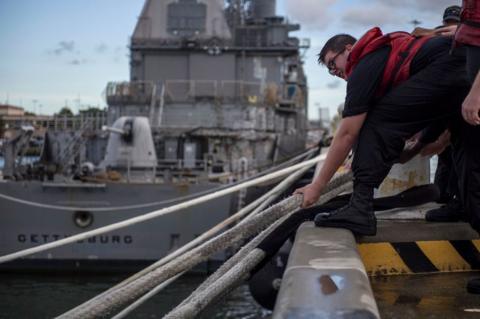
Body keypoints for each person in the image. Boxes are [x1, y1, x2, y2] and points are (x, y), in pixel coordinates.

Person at [293, 27, 470, 236]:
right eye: (329, 71)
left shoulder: (363, 63)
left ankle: (360, 208)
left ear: (349, 49)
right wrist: (415, 149)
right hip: (467, 70)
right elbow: (438, 111)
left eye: (333, 63)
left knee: (373, 122)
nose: (334, 72)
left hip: (450, 67)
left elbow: (348, 133)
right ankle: (465, 205)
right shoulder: (385, 59)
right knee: (467, 146)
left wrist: (318, 186)